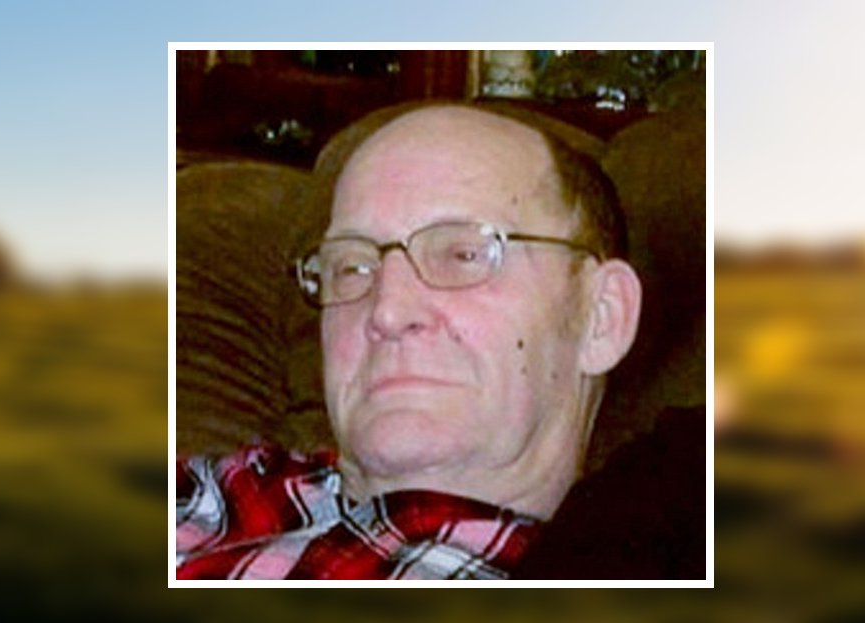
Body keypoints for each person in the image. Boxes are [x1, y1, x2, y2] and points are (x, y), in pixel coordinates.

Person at [176, 103, 643, 579]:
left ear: (602, 317)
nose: (387, 311)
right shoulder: (217, 496)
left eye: (463, 254)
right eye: (351, 267)